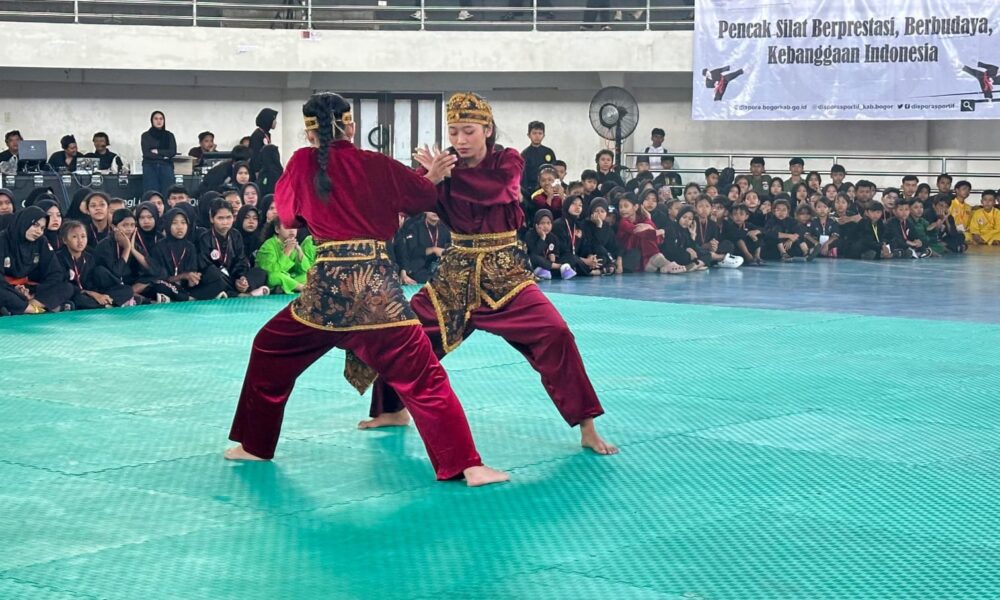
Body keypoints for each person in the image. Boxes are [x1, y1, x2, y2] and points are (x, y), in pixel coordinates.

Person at [226, 92, 507, 486]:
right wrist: (433, 177)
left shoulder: (301, 163)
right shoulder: (376, 163)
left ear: (310, 135)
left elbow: (289, 215)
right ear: (351, 127)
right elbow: (423, 197)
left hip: (323, 298)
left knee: (269, 349)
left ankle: (255, 446)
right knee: (424, 377)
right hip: (379, 294)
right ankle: (467, 465)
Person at [362, 92, 617, 455]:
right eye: (453, 132)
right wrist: (427, 180)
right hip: (455, 273)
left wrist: (441, 179)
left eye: (468, 131)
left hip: (506, 273)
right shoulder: (443, 167)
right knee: (404, 334)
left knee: (556, 333)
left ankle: (587, 427)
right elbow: (406, 203)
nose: (460, 140)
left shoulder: (508, 160)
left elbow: (497, 190)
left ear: (487, 129)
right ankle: (391, 410)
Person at [0, 205, 74, 313]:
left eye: (42, 228)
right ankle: (32, 309)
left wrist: (33, 291)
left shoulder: (41, 241)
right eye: (35, 225)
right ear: (24, 222)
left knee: (66, 287)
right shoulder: (3, 240)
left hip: (27, 290)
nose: (39, 231)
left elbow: (55, 272)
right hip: (6, 288)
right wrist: (15, 290)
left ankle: (30, 306)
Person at [199, 200, 270, 296]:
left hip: (233, 277)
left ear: (233, 218)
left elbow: (241, 260)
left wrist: (240, 278)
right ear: (212, 219)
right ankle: (239, 294)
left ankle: (237, 290)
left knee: (260, 272)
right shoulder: (205, 238)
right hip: (218, 277)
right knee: (213, 273)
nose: (225, 222)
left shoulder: (236, 235)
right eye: (220, 218)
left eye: (228, 217)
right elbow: (205, 266)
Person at [396, 211, 450, 284]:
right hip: (419, 266)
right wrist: (433, 250)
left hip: (438, 266)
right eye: (432, 209)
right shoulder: (414, 227)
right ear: (425, 211)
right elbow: (412, 252)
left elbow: (449, 249)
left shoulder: (446, 229)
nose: (435, 212)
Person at [141, 111, 177, 195]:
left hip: (166, 167)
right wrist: (164, 156)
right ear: (152, 121)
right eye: (156, 119)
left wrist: (158, 151)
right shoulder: (146, 135)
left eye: (161, 119)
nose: (159, 121)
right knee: (151, 194)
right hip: (150, 167)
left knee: (168, 193)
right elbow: (147, 154)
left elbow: (172, 152)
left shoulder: (169, 135)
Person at [520, 121, 556, 197]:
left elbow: (554, 172)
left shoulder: (549, 152)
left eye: (540, 133)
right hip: (530, 190)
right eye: (534, 133)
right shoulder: (524, 154)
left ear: (544, 135)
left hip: (548, 189)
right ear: (529, 135)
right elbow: (523, 177)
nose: (537, 136)